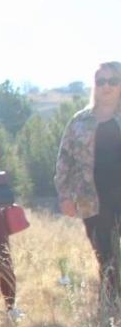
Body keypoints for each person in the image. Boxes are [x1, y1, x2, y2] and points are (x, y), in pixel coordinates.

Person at [56, 61, 121, 304]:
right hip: (91, 200)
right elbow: (65, 161)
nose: (106, 87)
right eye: (100, 81)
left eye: (112, 81)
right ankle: (110, 314)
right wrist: (64, 196)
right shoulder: (79, 121)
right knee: (106, 259)